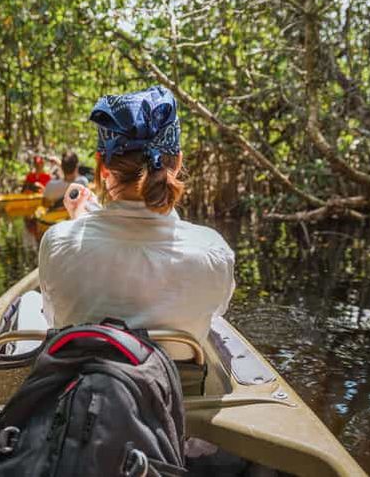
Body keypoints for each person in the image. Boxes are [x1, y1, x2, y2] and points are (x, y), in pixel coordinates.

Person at [38, 86, 235, 344]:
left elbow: (55, 319)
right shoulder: (213, 251)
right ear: (176, 162)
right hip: (177, 383)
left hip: (83, 379)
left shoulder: (58, 241)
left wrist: (78, 226)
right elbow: (216, 311)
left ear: (102, 166)